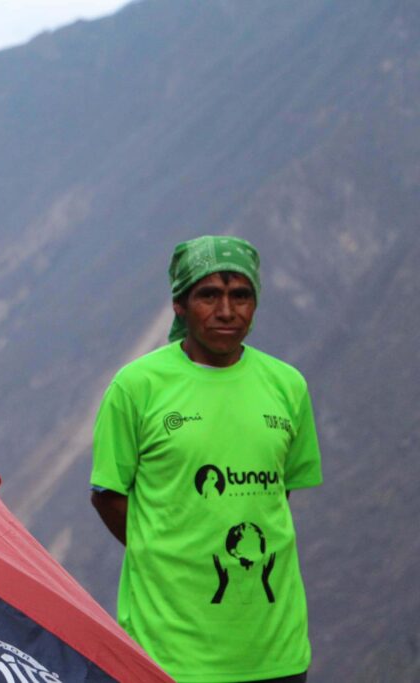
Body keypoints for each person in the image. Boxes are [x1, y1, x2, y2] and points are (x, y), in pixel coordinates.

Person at [89, 235, 322, 683]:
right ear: (180, 305)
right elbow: (107, 494)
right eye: (209, 295)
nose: (227, 311)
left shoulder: (288, 386)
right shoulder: (136, 388)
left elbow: (276, 494)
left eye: (241, 295)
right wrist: (164, 556)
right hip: (170, 651)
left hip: (276, 651)